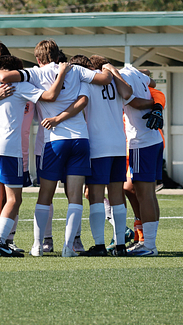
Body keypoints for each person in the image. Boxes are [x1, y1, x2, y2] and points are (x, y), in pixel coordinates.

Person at [0, 39, 112, 257]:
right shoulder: (76, 70)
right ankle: (69, 247)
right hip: (80, 139)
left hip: (54, 141)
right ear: (57, 55)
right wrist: (108, 68)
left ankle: (38, 246)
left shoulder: (35, 73)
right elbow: (104, 80)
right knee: (75, 197)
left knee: (45, 195)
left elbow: (6, 77)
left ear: (38, 58)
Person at [0, 54, 68, 257]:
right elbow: (50, 96)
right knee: (14, 199)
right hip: (9, 148)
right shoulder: (18, 85)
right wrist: (61, 73)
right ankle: (0, 241)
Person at [43, 55, 132, 257]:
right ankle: (120, 245)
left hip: (98, 145)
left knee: (95, 196)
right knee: (117, 196)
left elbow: (80, 103)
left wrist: (57, 118)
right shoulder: (115, 82)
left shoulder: (86, 82)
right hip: (119, 144)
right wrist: (112, 70)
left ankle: (99, 245)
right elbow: (128, 93)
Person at [119, 64, 163, 256]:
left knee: (144, 194)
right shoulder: (136, 74)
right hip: (153, 139)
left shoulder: (121, 76)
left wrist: (153, 104)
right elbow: (152, 83)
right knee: (148, 194)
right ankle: (147, 241)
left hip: (140, 142)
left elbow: (131, 99)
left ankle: (149, 245)